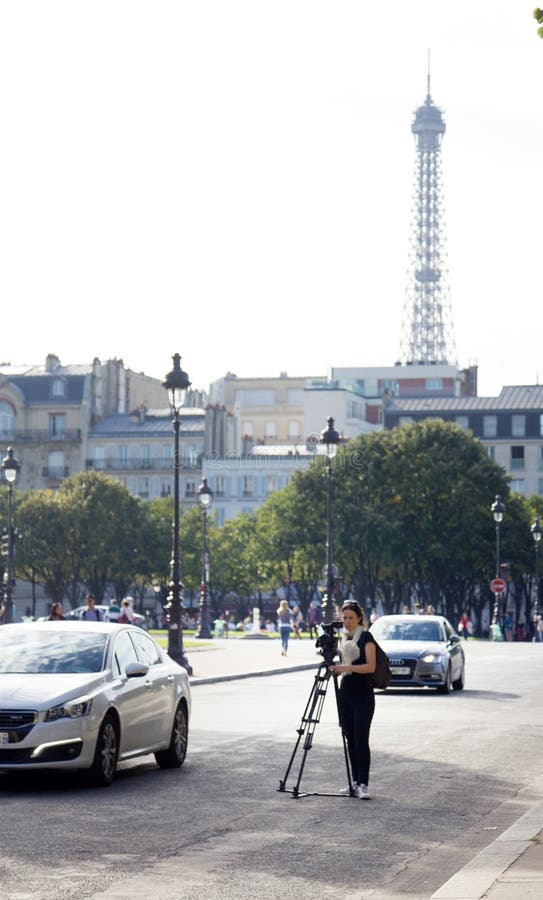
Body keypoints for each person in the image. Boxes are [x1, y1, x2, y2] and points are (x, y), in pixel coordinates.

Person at [329, 600, 376, 800]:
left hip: (363, 694)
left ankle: (364, 784)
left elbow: (370, 667)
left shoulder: (366, 637)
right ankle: (354, 783)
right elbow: (345, 666)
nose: (347, 621)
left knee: (360, 739)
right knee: (349, 738)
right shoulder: (344, 638)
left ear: (359, 618)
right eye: (344, 618)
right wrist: (337, 671)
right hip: (345, 692)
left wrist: (344, 668)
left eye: (350, 618)